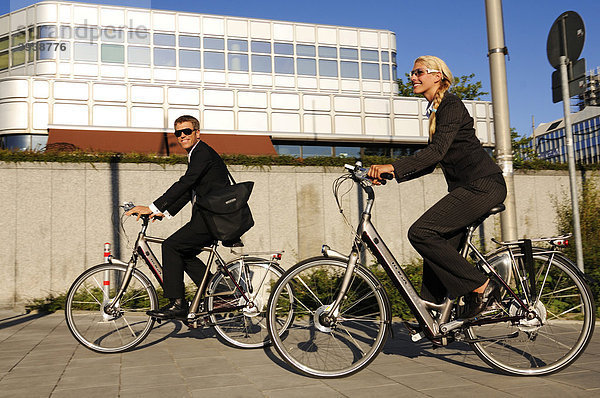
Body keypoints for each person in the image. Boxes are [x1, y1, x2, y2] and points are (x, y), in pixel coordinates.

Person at [368, 56, 507, 318]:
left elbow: (435, 152)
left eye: (419, 72)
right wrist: (391, 175)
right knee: (437, 246)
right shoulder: (437, 110)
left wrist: (393, 167)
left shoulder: (450, 105)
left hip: (482, 186)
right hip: (470, 189)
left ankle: (483, 286)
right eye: (411, 73)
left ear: (437, 76)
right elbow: (432, 162)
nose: (412, 77)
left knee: (422, 232)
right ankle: (432, 317)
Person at [126, 115, 230, 319]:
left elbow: (185, 183)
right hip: (211, 217)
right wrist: (163, 211)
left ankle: (177, 303)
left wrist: (152, 206)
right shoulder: (197, 153)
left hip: (212, 218)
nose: (182, 136)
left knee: (171, 246)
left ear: (197, 133)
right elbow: (190, 189)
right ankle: (217, 294)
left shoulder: (201, 153)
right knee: (184, 253)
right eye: (178, 133)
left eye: (187, 131)